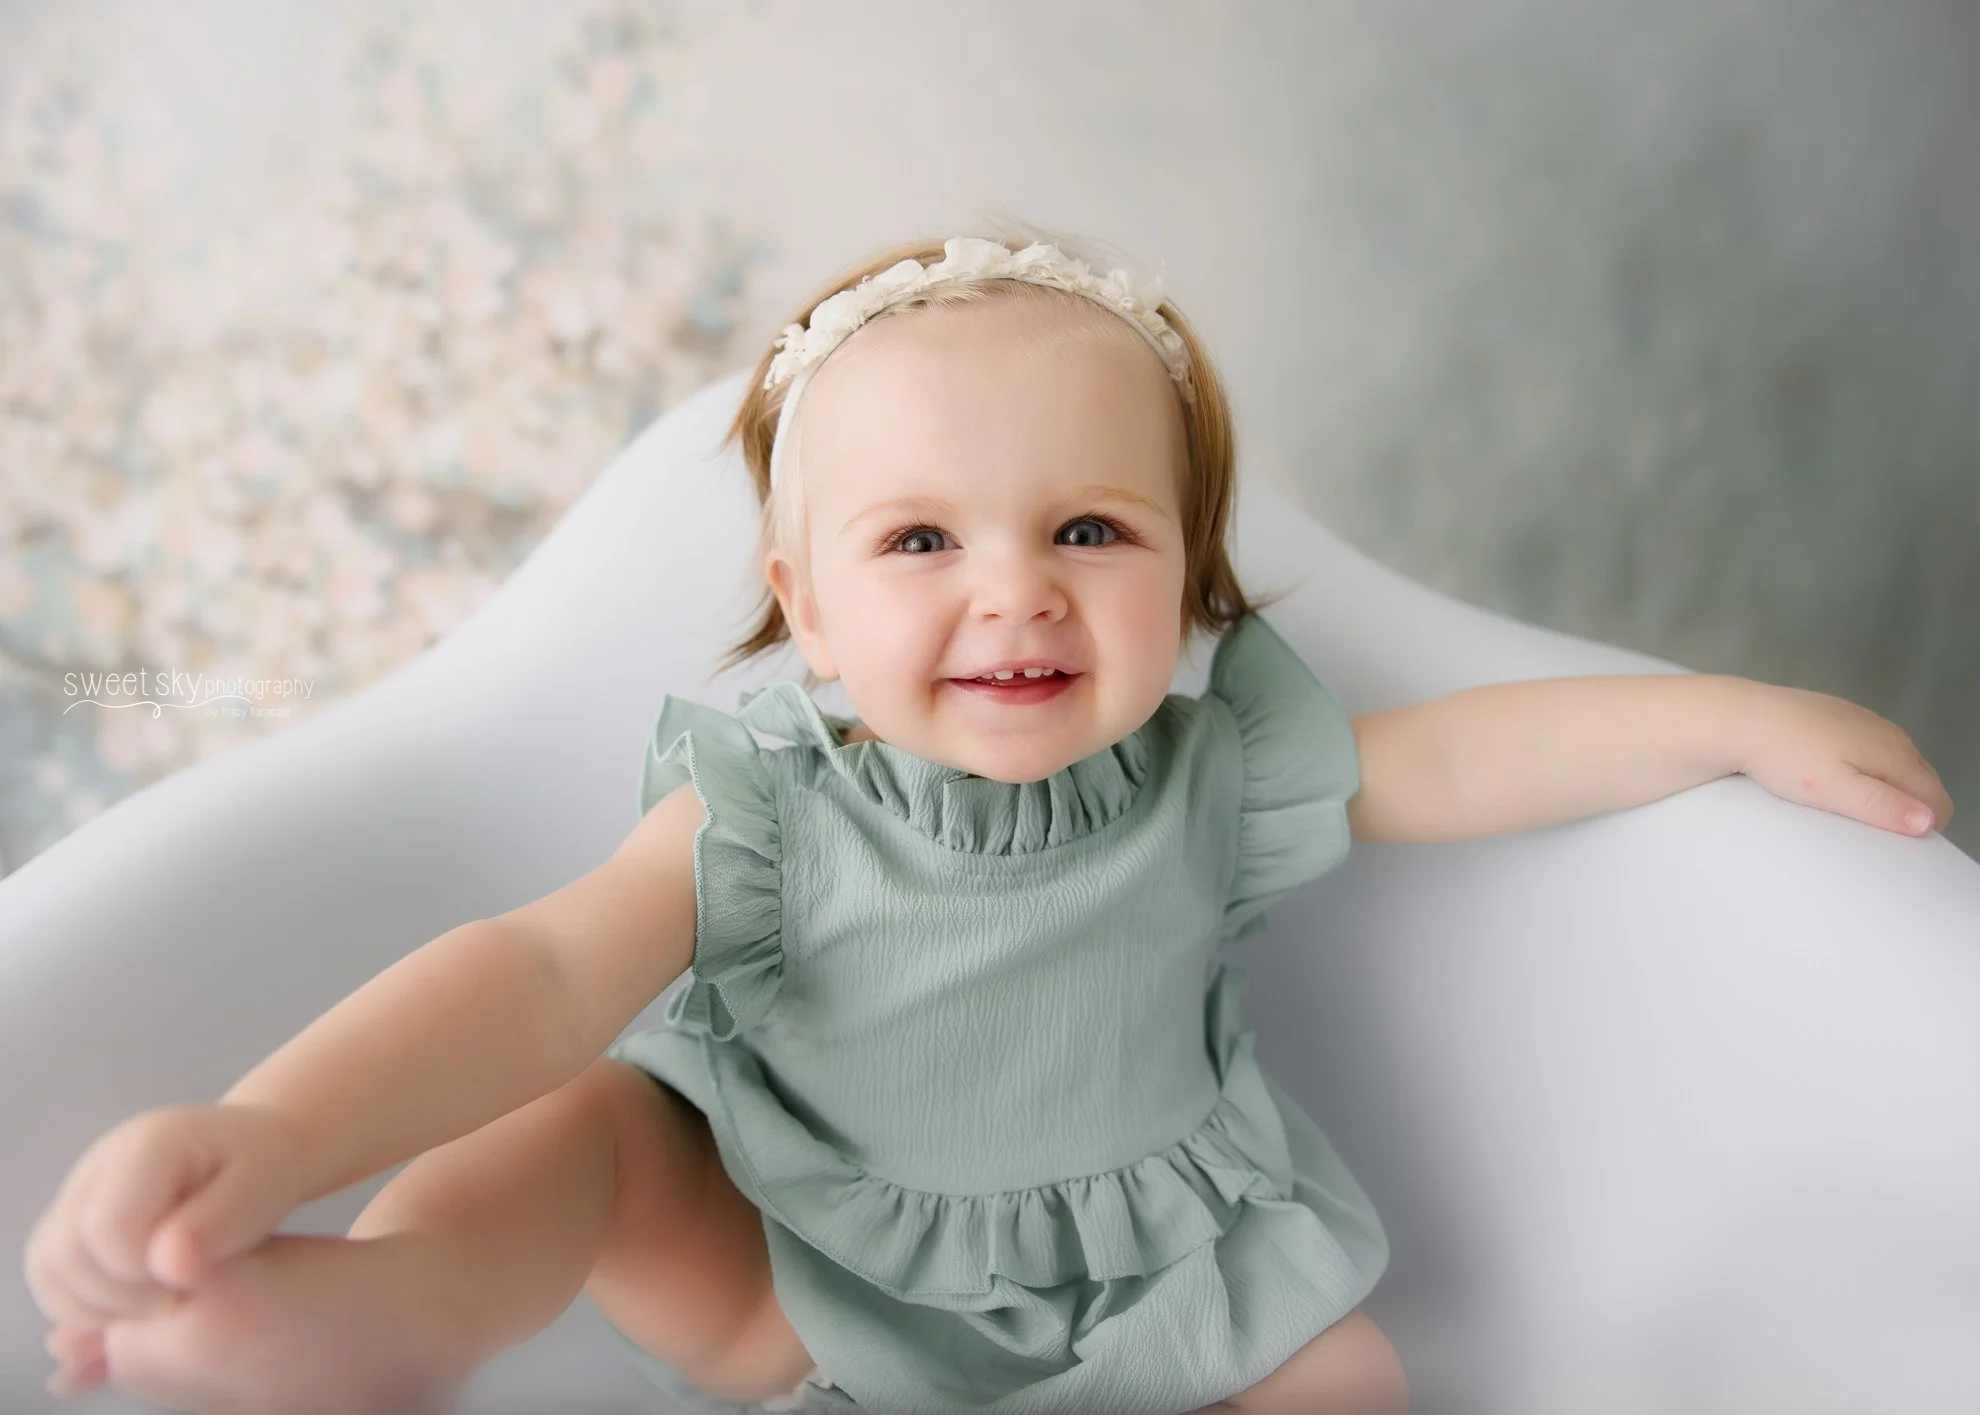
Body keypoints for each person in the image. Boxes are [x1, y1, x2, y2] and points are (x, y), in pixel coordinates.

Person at [24, 229, 1955, 1415]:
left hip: (1158, 1275)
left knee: (1352, 1376)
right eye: (924, 540)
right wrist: (266, 1128)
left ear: (1192, 578)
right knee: (587, 1124)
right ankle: (395, 1315)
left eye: (1090, 532)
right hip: (799, 1271)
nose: (1016, 591)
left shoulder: (1211, 766)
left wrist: (1732, 713)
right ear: (804, 594)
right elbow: (528, 969)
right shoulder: (766, 807)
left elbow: (1461, 759)